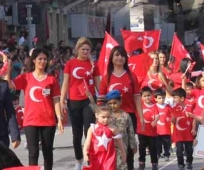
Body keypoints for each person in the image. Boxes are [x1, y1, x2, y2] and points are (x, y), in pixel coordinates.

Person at [8, 48, 64, 170]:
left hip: (48, 121)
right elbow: (9, 84)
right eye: (40, 59)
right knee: (33, 152)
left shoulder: (51, 79)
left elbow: (55, 100)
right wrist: (7, 67)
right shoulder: (25, 77)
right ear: (34, 60)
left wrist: (59, 118)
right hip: (31, 121)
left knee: (47, 152)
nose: (42, 61)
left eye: (45, 59)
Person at [98, 46, 144, 170]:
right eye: (117, 55)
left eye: (122, 55)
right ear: (112, 58)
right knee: (111, 147)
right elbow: (101, 103)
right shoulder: (106, 77)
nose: (120, 58)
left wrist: (141, 117)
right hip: (110, 119)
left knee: (128, 147)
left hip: (129, 116)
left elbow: (137, 98)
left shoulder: (131, 76)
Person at [60, 38, 100, 170]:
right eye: (83, 49)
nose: (85, 52)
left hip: (89, 100)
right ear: (77, 49)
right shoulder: (70, 64)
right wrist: (62, 101)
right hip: (74, 101)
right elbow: (65, 83)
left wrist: (103, 99)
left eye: (88, 50)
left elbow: (98, 83)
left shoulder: (93, 64)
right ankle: (79, 159)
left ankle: (90, 158)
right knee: (76, 134)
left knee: (89, 130)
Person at [83, 105, 127, 170]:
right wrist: (85, 152)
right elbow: (87, 142)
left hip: (109, 156)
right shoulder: (92, 128)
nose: (106, 119)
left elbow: (120, 143)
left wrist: (123, 153)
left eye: (108, 117)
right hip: (96, 156)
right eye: (103, 117)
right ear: (96, 115)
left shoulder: (113, 129)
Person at [103, 90, 137, 170]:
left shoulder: (126, 116)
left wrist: (133, 146)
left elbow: (131, 132)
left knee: (123, 165)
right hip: (110, 147)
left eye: (115, 103)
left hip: (123, 147)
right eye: (110, 104)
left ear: (120, 102)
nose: (112, 106)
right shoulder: (107, 117)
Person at [170, 88, 195, 170]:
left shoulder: (189, 108)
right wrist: (172, 120)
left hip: (188, 133)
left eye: (175, 97)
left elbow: (193, 119)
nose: (174, 99)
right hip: (178, 134)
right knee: (179, 151)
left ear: (182, 98)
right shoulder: (173, 109)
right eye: (173, 97)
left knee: (189, 150)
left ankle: (189, 161)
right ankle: (180, 164)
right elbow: (173, 120)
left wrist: (194, 128)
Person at [137, 86, 159, 170]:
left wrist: (155, 121)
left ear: (152, 95)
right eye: (145, 96)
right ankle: (141, 162)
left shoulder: (154, 106)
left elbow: (157, 115)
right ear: (141, 97)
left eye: (149, 95)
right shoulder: (140, 105)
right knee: (142, 147)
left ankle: (154, 163)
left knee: (153, 148)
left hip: (152, 132)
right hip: (142, 131)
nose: (147, 97)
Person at [154, 89, 171, 162]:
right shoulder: (154, 106)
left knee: (166, 143)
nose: (161, 100)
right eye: (159, 98)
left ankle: (166, 154)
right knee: (158, 144)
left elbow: (171, 115)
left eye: (163, 98)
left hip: (166, 129)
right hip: (157, 130)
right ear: (155, 99)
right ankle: (158, 153)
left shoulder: (168, 106)